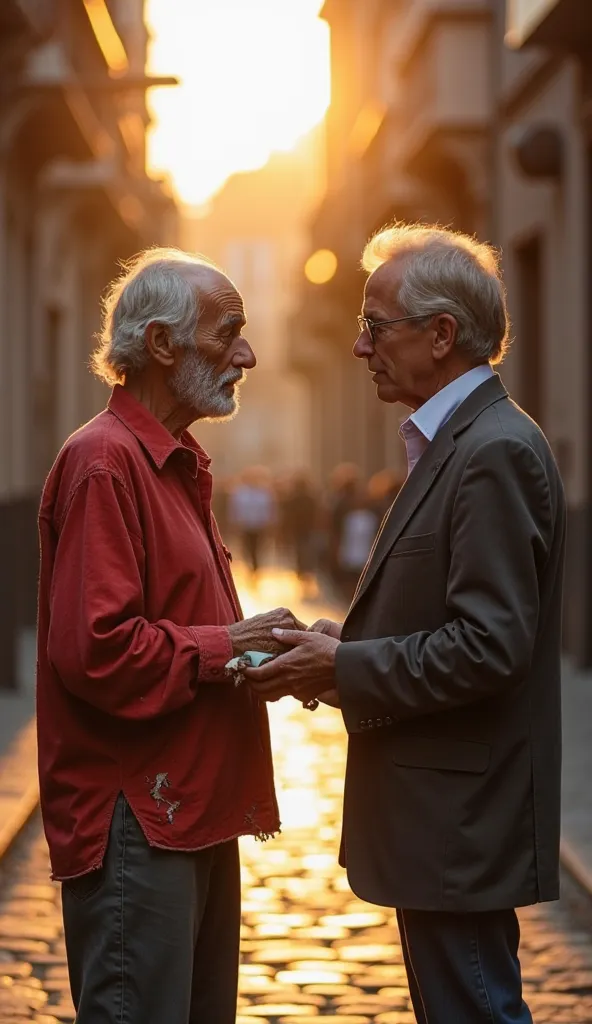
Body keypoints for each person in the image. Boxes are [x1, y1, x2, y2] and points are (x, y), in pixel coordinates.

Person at [246, 223, 566, 1024]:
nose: (361, 348)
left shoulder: (491, 450)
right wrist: (339, 645)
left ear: (441, 335)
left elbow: (490, 647)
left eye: (375, 326)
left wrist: (340, 669)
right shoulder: (455, 440)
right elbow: (443, 618)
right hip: (442, 817)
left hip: (457, 822)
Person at [36, 248, 304, 1024]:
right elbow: (98, 652)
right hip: (139, 821)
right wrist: (231, 647)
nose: (247, 355)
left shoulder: (170, 461)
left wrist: (261, 651)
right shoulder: (105, 464)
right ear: (161, 345)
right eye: (230, 333)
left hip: (190, 810)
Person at [228, 465, 276, 576]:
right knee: (247, 548)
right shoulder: (240, 493)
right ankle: (252, 564)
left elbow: (270, 509)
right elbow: (235, 508)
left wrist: (271, 523)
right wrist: (234, 523)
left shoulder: (264, 493)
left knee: (258, 547)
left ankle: (256, 565)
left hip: (260, 526)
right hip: (245, 525)